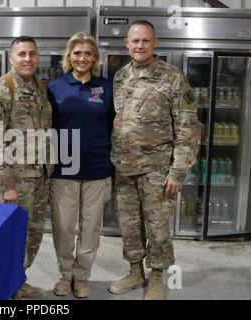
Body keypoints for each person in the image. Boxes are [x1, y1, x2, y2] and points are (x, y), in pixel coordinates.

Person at [109, 20, 201, 300]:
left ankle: (158, 277)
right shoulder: (120, 76)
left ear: (155, 42)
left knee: (158, 228)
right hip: (124, 168)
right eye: (135, 41)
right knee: (129, 225)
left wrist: (177, 171)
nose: (140, 46)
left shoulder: (173, 78)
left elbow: (188, 126)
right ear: (127, 43)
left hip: (158, 170)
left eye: (145, 41)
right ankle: (136, 271)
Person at [0, 36, 53, 299]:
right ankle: (5, 289)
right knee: (11, 239)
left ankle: (18, 284)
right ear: (11, 58)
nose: (28, 59)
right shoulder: (2, 90)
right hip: (15, 183)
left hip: (38, 178)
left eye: (32, 54)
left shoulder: (40, 87)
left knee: (32, 237)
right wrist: (5, 187)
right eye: (21, 54)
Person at [47, 31, 114, 298]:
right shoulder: (55, 87)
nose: (82, 58)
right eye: (77, 53)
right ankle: (65, 275)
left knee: (90, 227)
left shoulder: (107, 87)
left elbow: (114, 126)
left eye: (87, 53)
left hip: (98, 168)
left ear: (95, 57)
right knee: (63, 227)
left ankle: (82, 276)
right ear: (69, 56)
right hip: (64, 169)